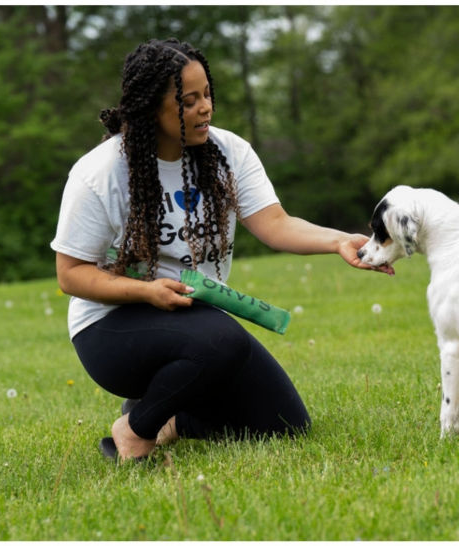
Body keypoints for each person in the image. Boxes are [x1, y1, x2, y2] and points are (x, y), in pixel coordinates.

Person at [51, 38, 393, 461]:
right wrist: (146, 290)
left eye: (207, 94)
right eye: (187, 101)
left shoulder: (229, 153)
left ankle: (168, 419)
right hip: (110, 327)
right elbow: (70, 274)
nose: (205, 108)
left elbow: (276, 224)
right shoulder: (100, 173)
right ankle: (135, 432)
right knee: (223, 340)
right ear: (150, 110)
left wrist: (339, 240)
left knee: (285, 424)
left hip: (195, 320)